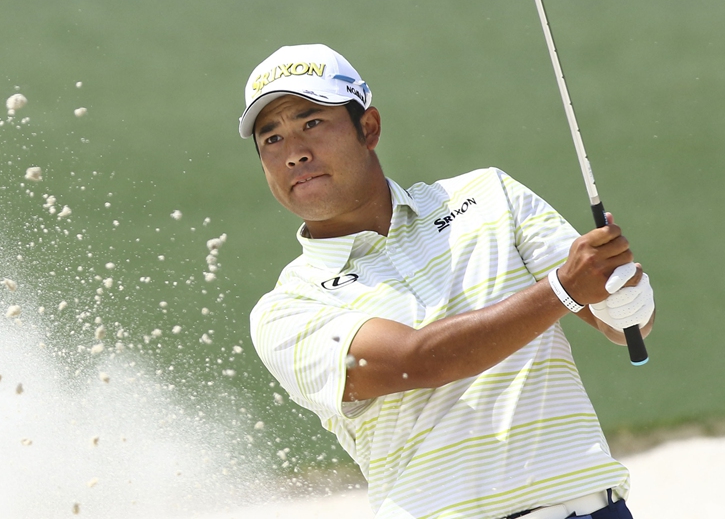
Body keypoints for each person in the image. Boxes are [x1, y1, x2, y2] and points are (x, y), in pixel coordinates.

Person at [241, 44, 655, 519]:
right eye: (270, 139)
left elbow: (621, 324)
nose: (294, 153)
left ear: (368, 128)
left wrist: (623, 294)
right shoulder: (286, 308)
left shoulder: (489, 195)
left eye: (311, 123)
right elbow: (417, 360)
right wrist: (563, 289)